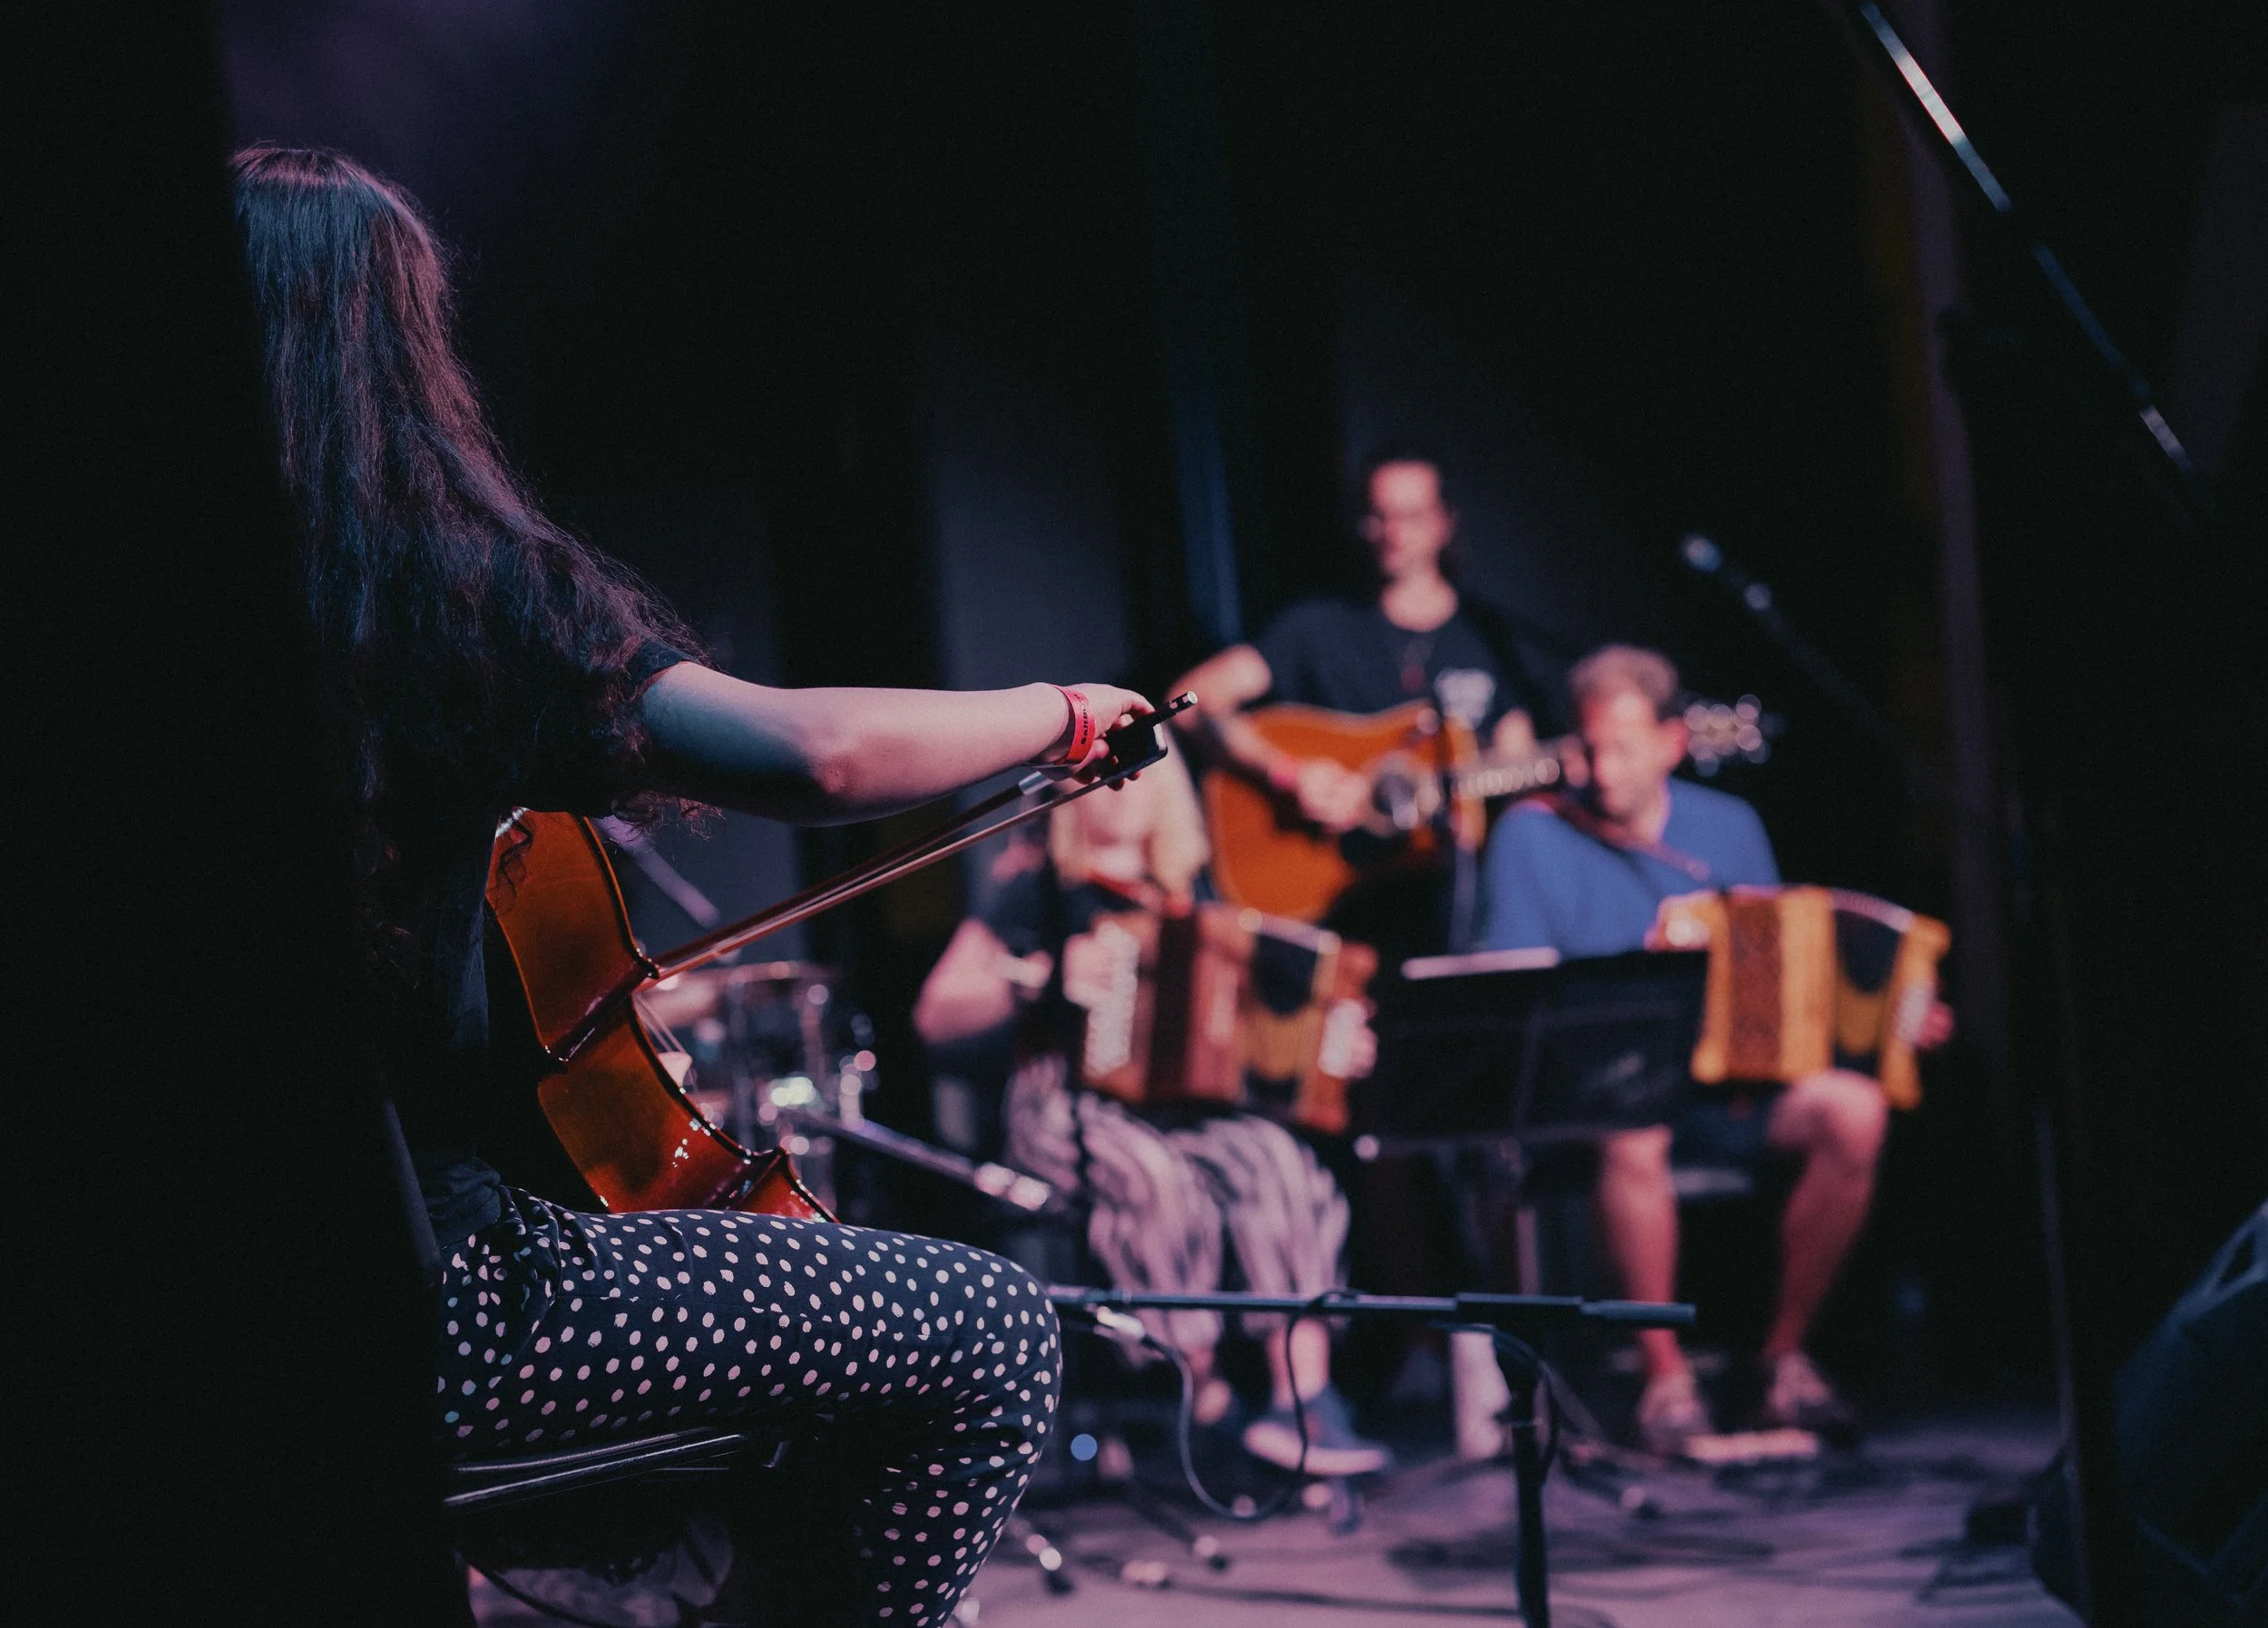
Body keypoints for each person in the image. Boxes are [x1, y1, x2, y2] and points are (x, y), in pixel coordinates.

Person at [234, 145, 1157, 1626]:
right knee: (987, 1331)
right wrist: (1058, 710)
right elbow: (819, 755)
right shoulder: (448, 584)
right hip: (436, 1319)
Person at [1479, 645, 1952, 1453]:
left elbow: (1787, 975)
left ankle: (1782, 1360)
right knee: (1636, 1129)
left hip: (1726, 1088)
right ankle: (1666, 1380)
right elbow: (1511, 993)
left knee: (1856, 1111)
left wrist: (1881, 1019)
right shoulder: (1533, 836)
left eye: (1622, 747)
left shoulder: (1726, 827)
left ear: (1670, 742)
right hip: (1605, 1095)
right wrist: (1639, 968)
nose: (1600, 767)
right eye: (1588, 746)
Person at [913, 739, 1393, 1477]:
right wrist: (1037, 976)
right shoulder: (1038, 885)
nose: (1122, 791)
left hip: (1176, 1111)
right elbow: (937, 1014)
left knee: (1280, 1160)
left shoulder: (1193, 897)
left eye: (1139, 777)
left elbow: (1262, 1020)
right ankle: (1203, 1395)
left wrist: (1333, 1042)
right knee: (1154, 1178)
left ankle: (1304, 1400)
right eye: (1103, 778)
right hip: (1064, 1105)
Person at [1173, 449, 1542, 944]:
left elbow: (1519, 760)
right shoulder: (1316, 628)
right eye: (1379, 516)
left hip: (1448, 910)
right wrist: (1288, 774)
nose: (1393, 533)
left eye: (1410, 516)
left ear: (1443, 523)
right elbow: (1192, 699)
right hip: (1336, 916)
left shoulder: (1488, 638)